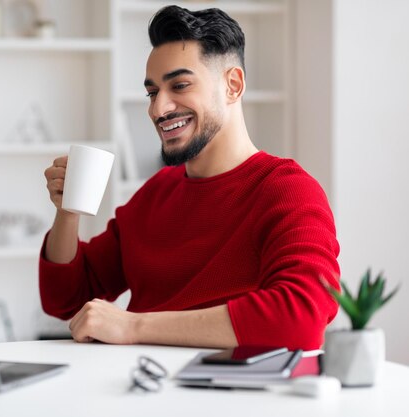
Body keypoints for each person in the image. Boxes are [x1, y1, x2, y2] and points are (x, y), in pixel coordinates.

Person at [40, 5, 340, 351]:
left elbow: (300, 317)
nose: (158, 109)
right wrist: (67, 212)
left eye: (179, 85)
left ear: (232, 85)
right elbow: (65, 298)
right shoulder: (155, 194)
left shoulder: (288, 190)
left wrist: (134, 325)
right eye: (152, 92)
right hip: (138, 392)